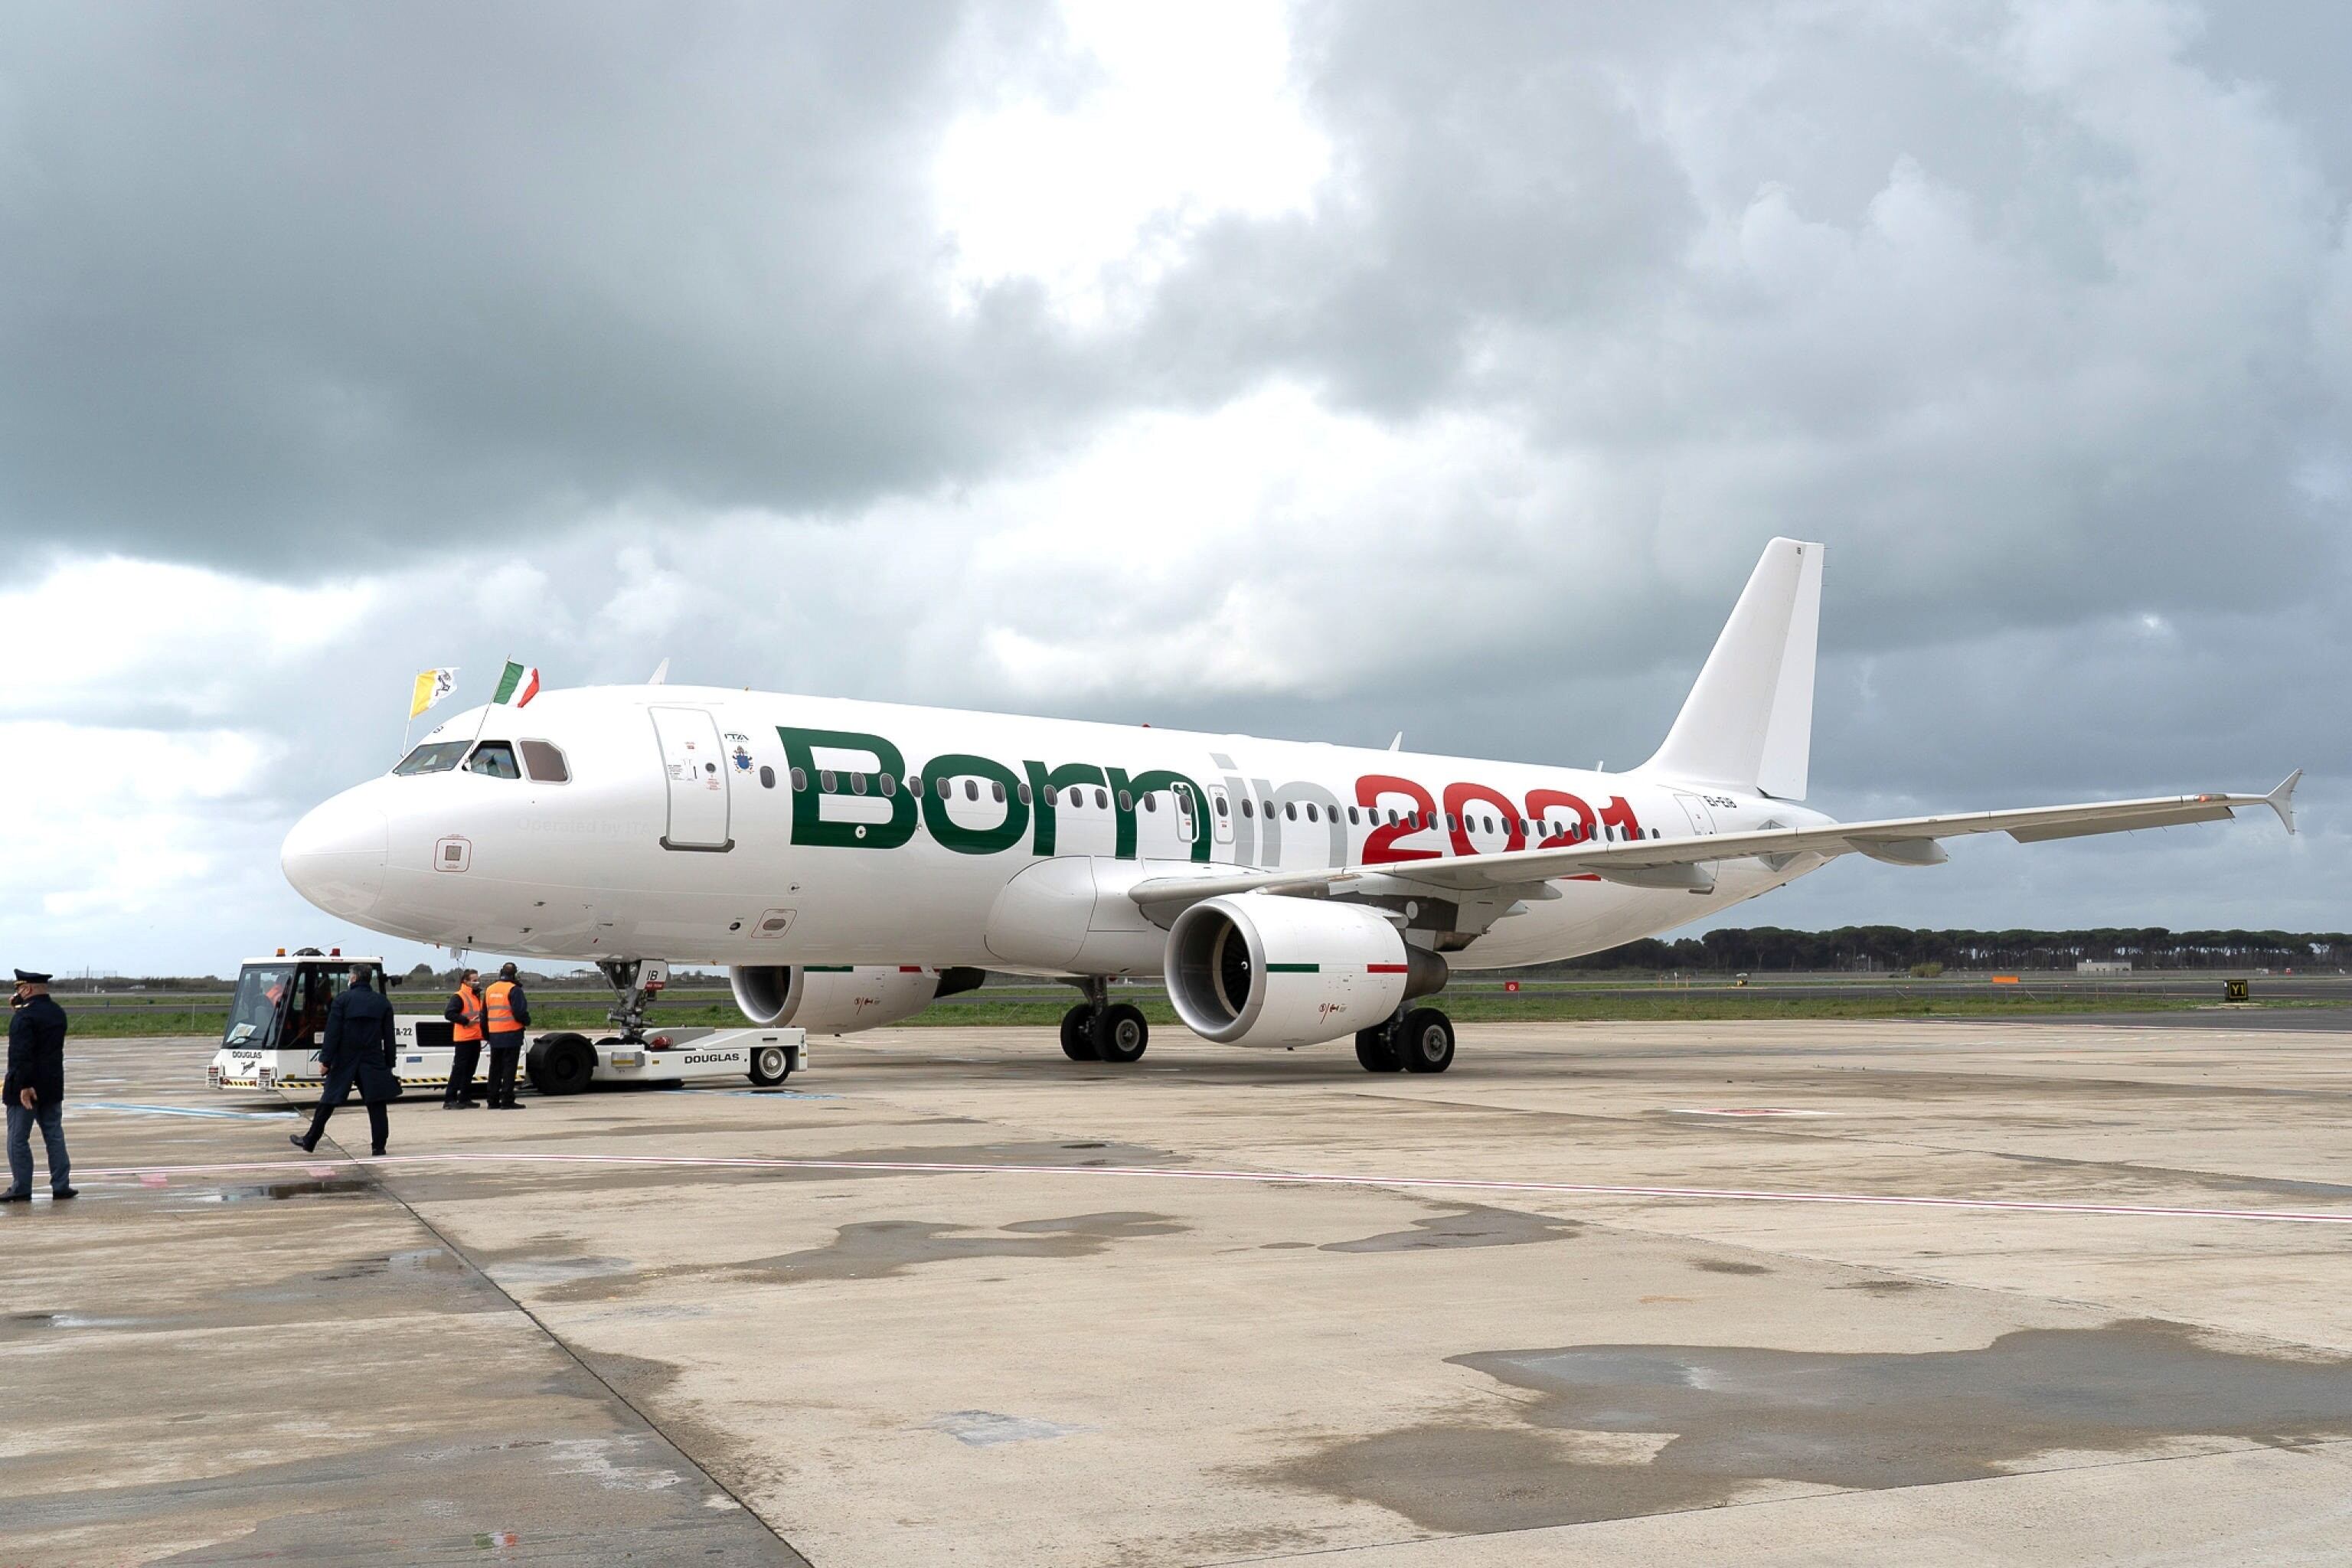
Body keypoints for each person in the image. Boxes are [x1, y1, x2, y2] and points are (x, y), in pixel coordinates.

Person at [290, 965, 397, 1157]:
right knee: (377, 1105)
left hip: (346, 1059)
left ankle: (310, 1140)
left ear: (354, 979)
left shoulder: (343, 1000)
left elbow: (333, 1034)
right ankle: (379, 1146)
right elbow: (389, 1037)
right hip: (372, 1059)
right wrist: (389, 1063)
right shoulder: (382, 1002)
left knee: (328, 1102)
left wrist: (326, 1060)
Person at [4, 969, 74, 1203]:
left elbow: (21, 1053)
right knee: (54, 1134)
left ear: (27, 989)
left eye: (20, 989)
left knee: (17, 1138)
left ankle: (21, 1187)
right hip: (52, 1085)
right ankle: (61, 1185)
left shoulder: (24, 1017)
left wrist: (23, 1085)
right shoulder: (57, 1013)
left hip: (27, 1088)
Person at [482, 962, 531, 1110]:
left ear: (501, 973)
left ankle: (492, 1100)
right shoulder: (514, 989)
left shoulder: (490, 990)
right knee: (509, 1069)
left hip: (495, 1035)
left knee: (495, 1068)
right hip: (511, 1034)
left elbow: (484, 1014)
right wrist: (527, 1021)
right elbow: (519, 1012)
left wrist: (486, 1034)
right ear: (514, 974)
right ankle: (507, 1100)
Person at [442, 968, 485, 1108]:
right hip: (464, 1039)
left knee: (470, 1070)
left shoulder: (475, 996)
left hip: (475, 1037)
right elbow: (449, 1014)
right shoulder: (459, 996)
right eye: (474, 980)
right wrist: (466, 1021)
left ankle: (465, 1097)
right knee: (459, 1069)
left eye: (477, 980)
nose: (477, 982)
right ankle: (450, 1099)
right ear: (465, 981)